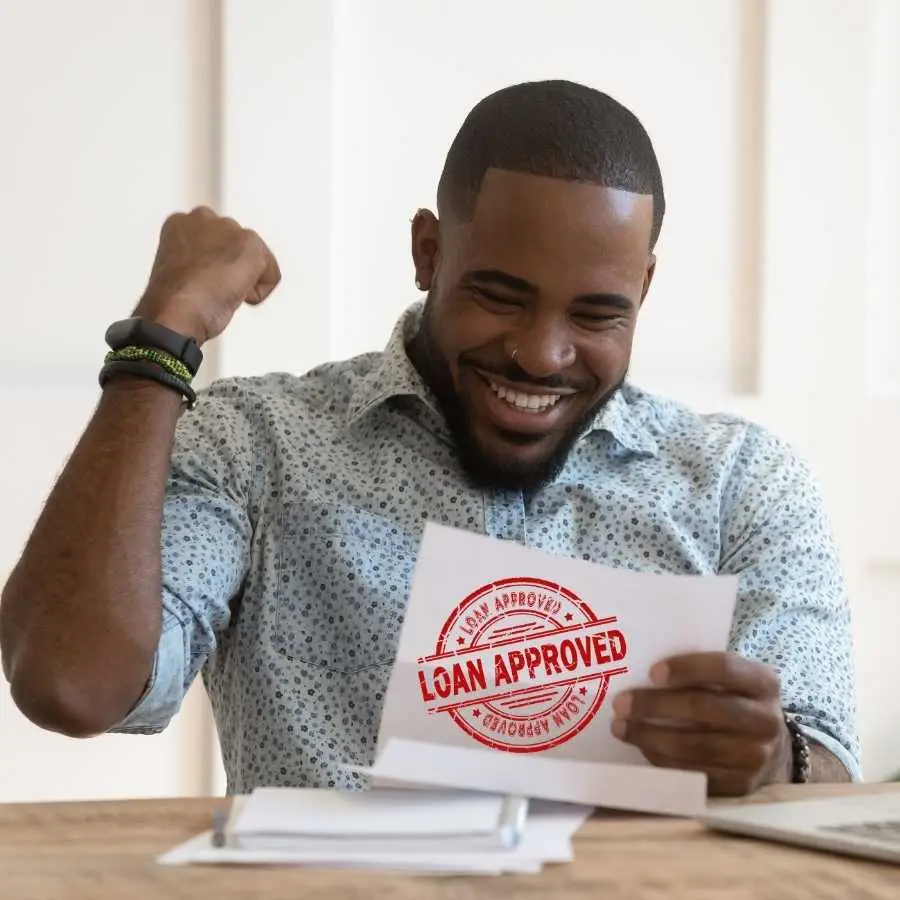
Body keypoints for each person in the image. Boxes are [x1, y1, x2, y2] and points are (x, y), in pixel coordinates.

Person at [0, 80, 859, 796]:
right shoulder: (256, 447)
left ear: (645, 285)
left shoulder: (741, 485)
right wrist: (161, 339)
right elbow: (72, 684)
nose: (541, 353)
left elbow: (828, 775)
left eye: (598, 313)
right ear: (427, 250)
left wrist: (774, 758)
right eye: (500, 295)